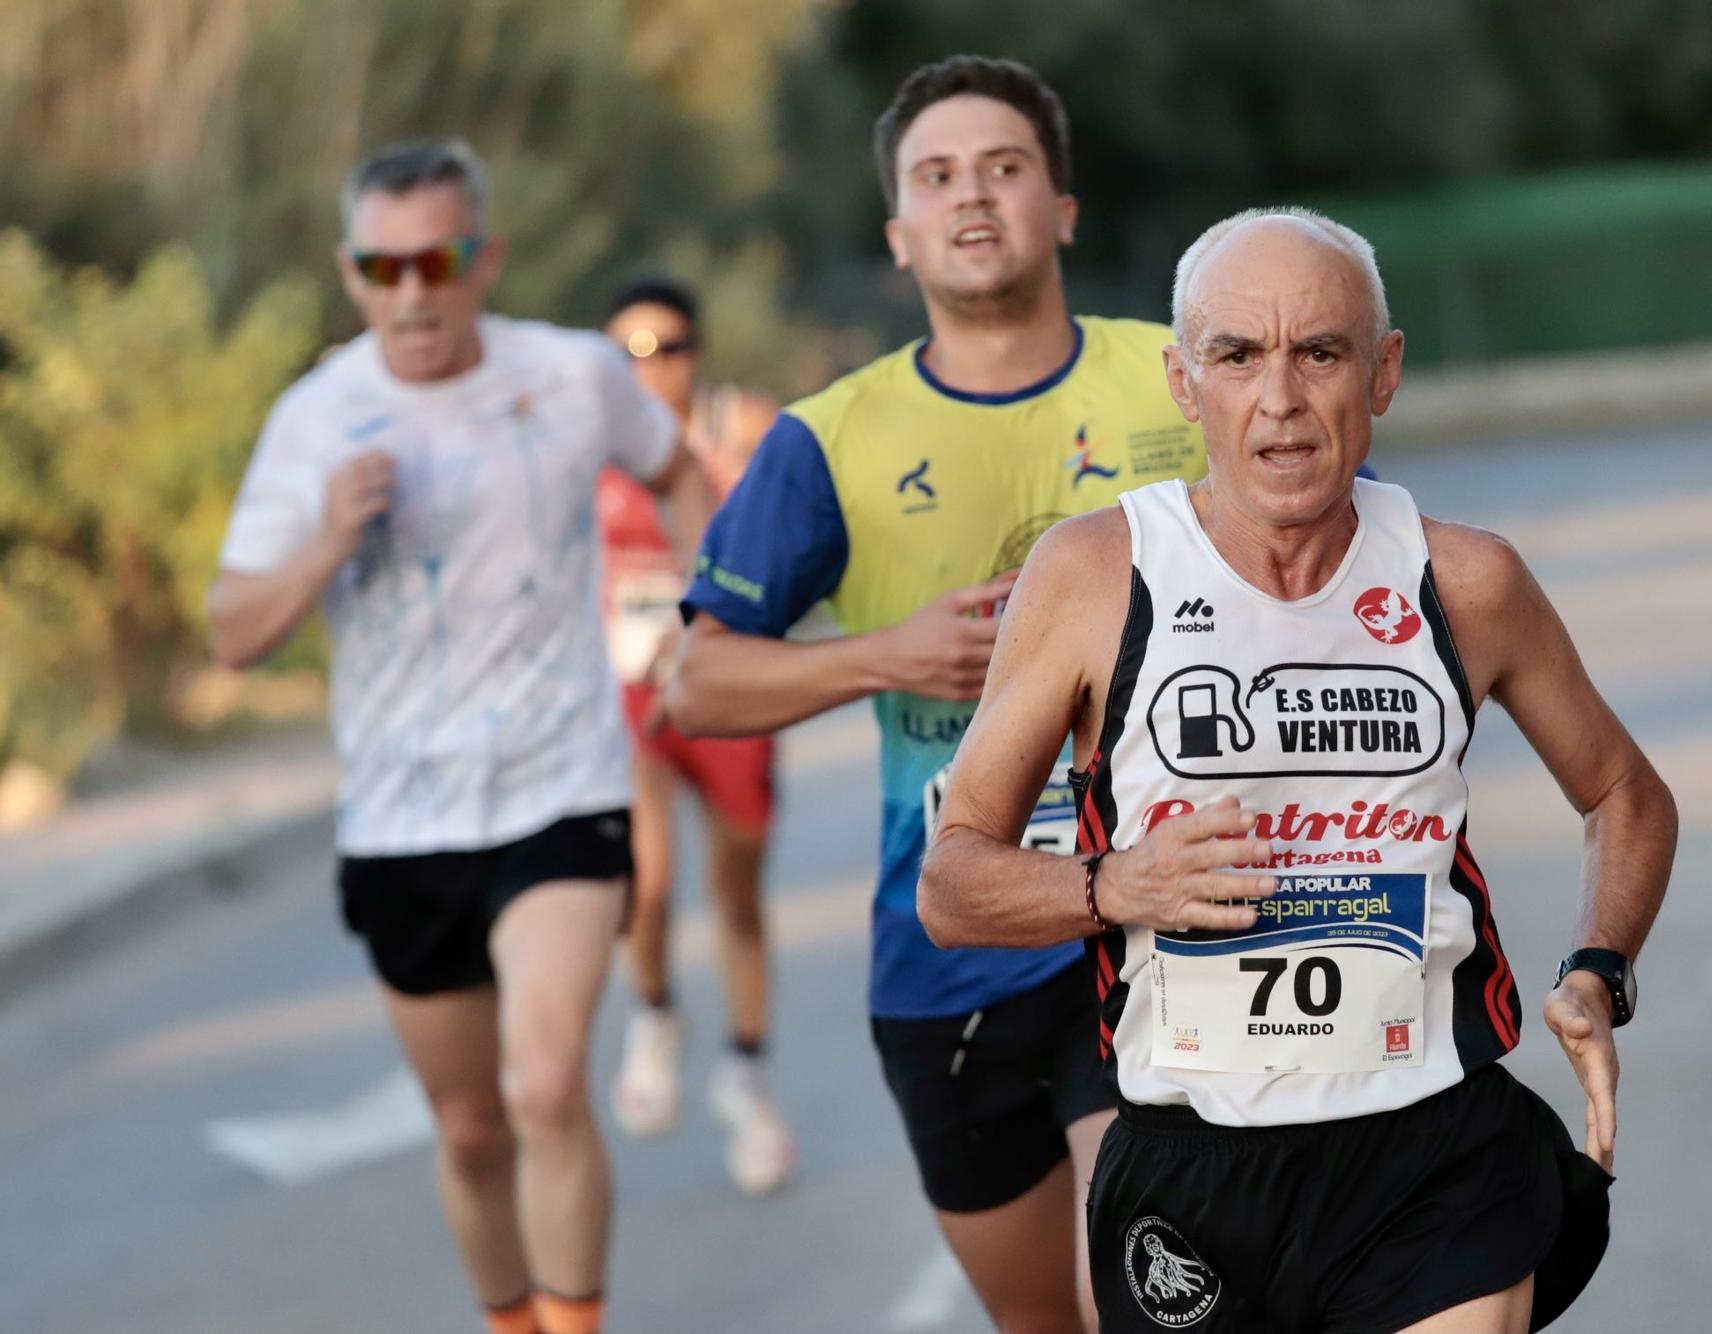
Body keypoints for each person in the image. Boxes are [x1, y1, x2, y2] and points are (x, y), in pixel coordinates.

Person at [916, 208, 1678, 1334]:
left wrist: (1595, 971)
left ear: (1383, 372)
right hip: (1189, 1162)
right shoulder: (1093, 575)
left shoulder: (1464, 579)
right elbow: (951, 882)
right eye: (1236, 354)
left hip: (1432, 1144)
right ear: (1183, 381)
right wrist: (1114, 885)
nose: (1278, 395)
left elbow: (1625, 793)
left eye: (1318, 351)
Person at [666, 55, 1209, 1334]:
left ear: (1062, 207)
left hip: (1152, 923)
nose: (973, 198)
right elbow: (696, 680)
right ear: (898, 233)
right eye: (937, 177)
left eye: (1005, 168)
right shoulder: (830, 438)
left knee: (1140, 1296)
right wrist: (882, 654)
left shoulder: (1180, 380)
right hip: (947, 949)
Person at [209, 140, 710, 1334]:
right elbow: (233, 631)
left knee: (542, 1087)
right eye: (384, 267)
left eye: (437, 259)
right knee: (472, 1126)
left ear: (481, 256)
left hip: (560, 784)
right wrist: (328, 537)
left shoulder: (574, 373)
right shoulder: (315, 418)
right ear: (352, 273)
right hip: (402, 815)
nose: (412, 292)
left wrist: (706, 615)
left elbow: (677, 471)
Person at [593, 275, 797, 1194]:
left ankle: (746, 1077)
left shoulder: (740, 437)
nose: (651, 367)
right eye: (631, 352)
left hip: (727, 692)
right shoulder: (585, 445)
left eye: (668, 347)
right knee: (647, 877)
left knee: (738, 893)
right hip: (627, 696)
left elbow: (797, 555)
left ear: (697, 354)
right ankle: (656, 1012)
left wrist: (765, 458)